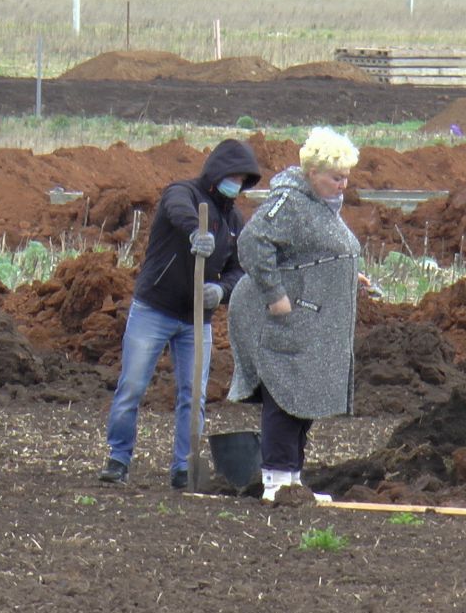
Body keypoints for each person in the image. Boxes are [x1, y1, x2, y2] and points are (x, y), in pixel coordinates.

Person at [98, 138, 264, 487]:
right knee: (132, 385)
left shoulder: (235, 221)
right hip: (154, 308)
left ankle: (183, 466)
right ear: (217, 171)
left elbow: (240, 269)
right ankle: (118, 458)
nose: (237, 183)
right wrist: (195, 233)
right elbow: (177, 209)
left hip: (195, 320)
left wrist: (220, 291)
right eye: (232, 175)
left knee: (194, 394)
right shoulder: (183, 193)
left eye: (243, 178)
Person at [227, 127, 365, 503]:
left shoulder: (320, 205)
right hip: (290, 320)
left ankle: (292, 482)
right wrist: (275, 296)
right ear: (312, 172)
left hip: (314, 322)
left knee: (304, 399)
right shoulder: (291, 201)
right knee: (285, 396)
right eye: (336, 177)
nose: (343, 184)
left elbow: (311, 253)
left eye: (347, 177)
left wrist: (349, 274)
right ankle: (276, 482)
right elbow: (253, 243)